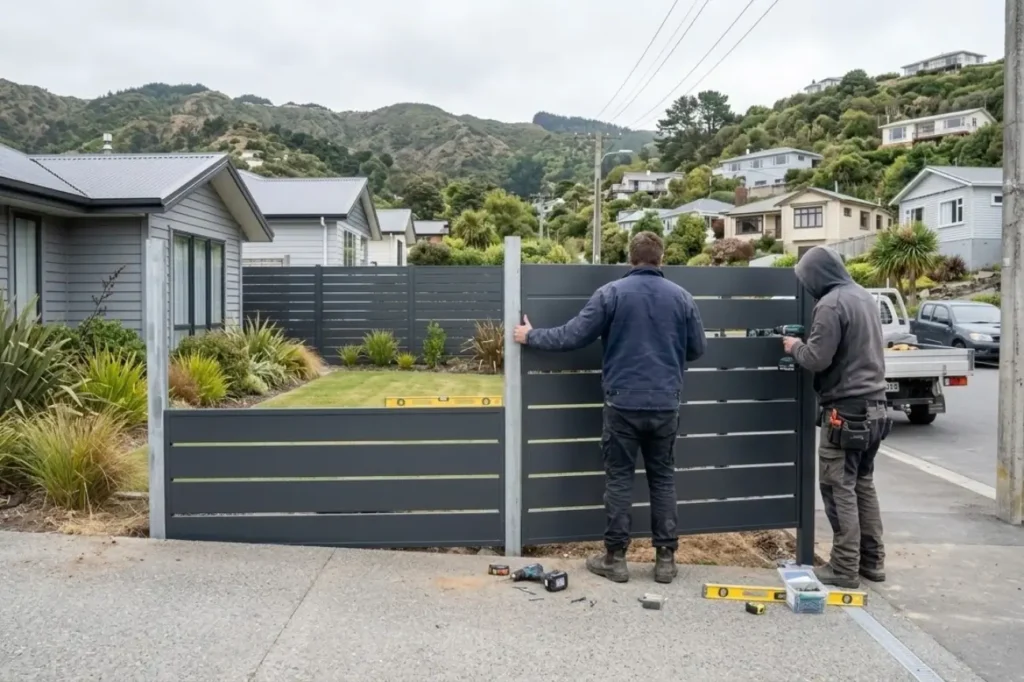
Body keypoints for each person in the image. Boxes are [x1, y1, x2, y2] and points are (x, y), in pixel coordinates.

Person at [512, 231, 706, 584]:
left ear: (630, 259)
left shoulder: (612, 294)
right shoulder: (682, 298)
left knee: (619, 479)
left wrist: (531, 336)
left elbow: (573, 335)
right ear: (660, 259)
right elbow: (696, 349)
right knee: (662, 479)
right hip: (665, 404)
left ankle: (615, 559)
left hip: (622, 404)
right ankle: (666, 562)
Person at [782, 245, 891, 589]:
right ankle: (872, 563)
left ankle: (844, 568)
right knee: (862, 485)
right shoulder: (863, 297)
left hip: (846, 413)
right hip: (876, 406)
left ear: (817, 275)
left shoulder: (830, 304)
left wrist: (792, 346)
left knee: (837, 488)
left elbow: (816, 358)